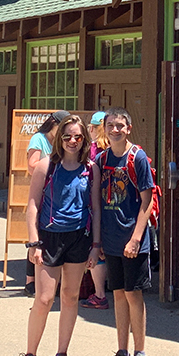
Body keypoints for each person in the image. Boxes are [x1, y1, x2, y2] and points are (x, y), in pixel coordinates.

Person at [18, 115, 101, 356]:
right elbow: (31, 206)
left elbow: (96, 209)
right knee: (43, 299)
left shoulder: (91, 168)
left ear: (85, 139)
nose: (73, 141)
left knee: (69, 297)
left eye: (78, 136)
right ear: (59, 139)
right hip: (49, 238)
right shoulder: (45, 166)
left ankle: (62, 354)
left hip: (79, 237)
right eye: (67, 136)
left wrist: (95, 246)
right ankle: (30, 355)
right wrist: (34, 242)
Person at [96, 107, 155, 356]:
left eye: (120, 125)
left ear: (128, 128)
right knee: (118, 294)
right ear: (105, 129)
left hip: (132, 240)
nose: (115, 130)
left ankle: (140, 354)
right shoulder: (102, 159)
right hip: (111, 239)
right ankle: (122, 352)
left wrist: (135, 238)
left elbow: (147, 200)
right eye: (111, 125)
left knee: (134, 294)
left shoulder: (137, 157)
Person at [22, 110, 69, 296]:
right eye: (61, 128)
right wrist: (52, 166)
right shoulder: (39, 139)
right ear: (53, 124)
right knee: (37, 236)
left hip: (59, 193)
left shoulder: (63, 141)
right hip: (42, 190)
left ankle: (54, 280)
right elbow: (31, 165)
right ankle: (30, 281)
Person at [80, 111, 109, 310]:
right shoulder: (116, 150)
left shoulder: (92, 151)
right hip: (114, 205)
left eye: (91, 127)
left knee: (96, 251)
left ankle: (99, 294)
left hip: (94, 206)